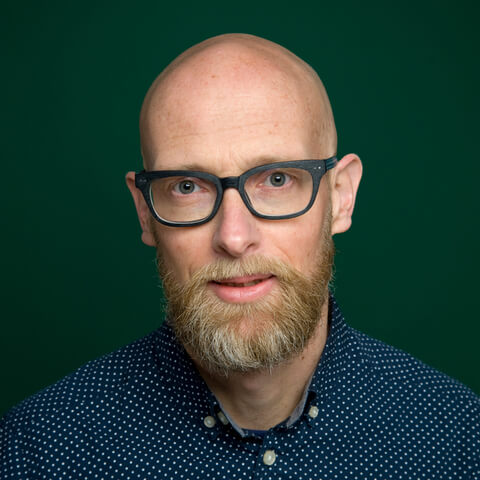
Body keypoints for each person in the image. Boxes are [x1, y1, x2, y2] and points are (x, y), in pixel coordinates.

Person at [1, 33, 478, 479]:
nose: (233, 237)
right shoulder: (37, 451)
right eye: (187, 187)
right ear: (145, 212)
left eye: (277, 180)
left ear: (341, 197)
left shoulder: (458, 440)